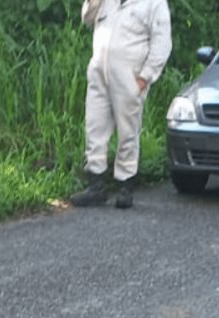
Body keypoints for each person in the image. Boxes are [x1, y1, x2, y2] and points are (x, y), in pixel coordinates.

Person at [72, 0, 172, 209]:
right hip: (99, 74)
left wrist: (145, 78)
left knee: (128, 131)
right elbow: (87, 19)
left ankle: (125, 186)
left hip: (130, 77)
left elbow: (162, 43)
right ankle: (96, 186)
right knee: (94, 128)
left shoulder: (154, 3)